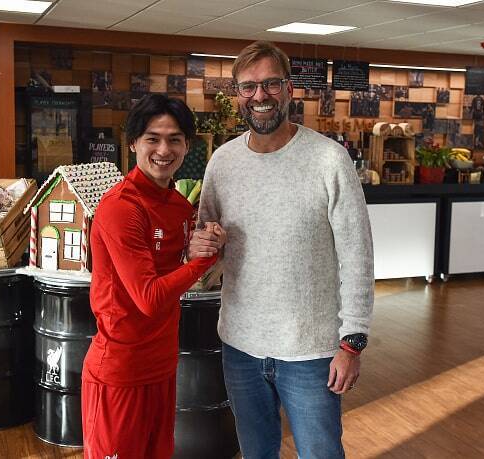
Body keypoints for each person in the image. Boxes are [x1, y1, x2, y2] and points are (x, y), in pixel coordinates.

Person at [189, 41, 374, 458]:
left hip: (311, 351)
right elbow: (206, 251)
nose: (260, 95)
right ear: (237, 94)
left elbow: (358, 257)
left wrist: (352, 343)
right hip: (240, 346)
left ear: (289, 89)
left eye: (271, 84)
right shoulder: (222, 163)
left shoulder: (329, 160)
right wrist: (202, 246)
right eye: (249, 86)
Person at [81, 93, 225, 459]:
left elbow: (174, 271)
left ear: (187, 145)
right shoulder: (121, 207)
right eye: (152, 139)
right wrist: (202, 261)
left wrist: (201, 246)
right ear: (133, 143)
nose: (164, 150)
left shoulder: (178, 206)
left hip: (162, 365)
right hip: (120, 371)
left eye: (174, 139)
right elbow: (149, 298)